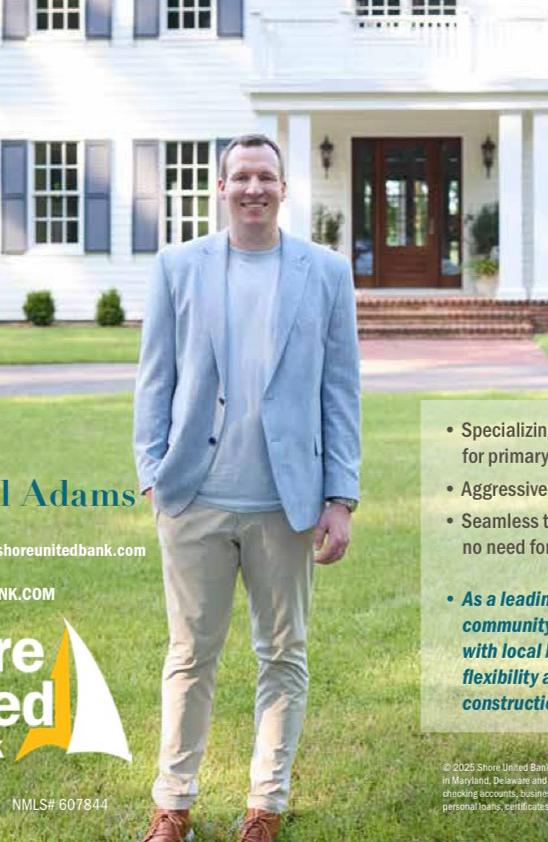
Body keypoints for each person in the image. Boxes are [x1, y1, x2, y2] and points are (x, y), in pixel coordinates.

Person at [133, 133, 361, 842]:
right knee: (189, 655)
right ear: (222, 187)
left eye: (266, 176)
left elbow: (340, 390)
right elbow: (155, 377)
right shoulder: (178, 266)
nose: (253, 188)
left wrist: (340, 497)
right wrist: (150, 470)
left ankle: (265, 805)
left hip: (286, 504)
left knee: (282, 654)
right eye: (241, 177)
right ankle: (173, 805)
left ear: (284, 188)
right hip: (193, 498)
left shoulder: (325, 272)